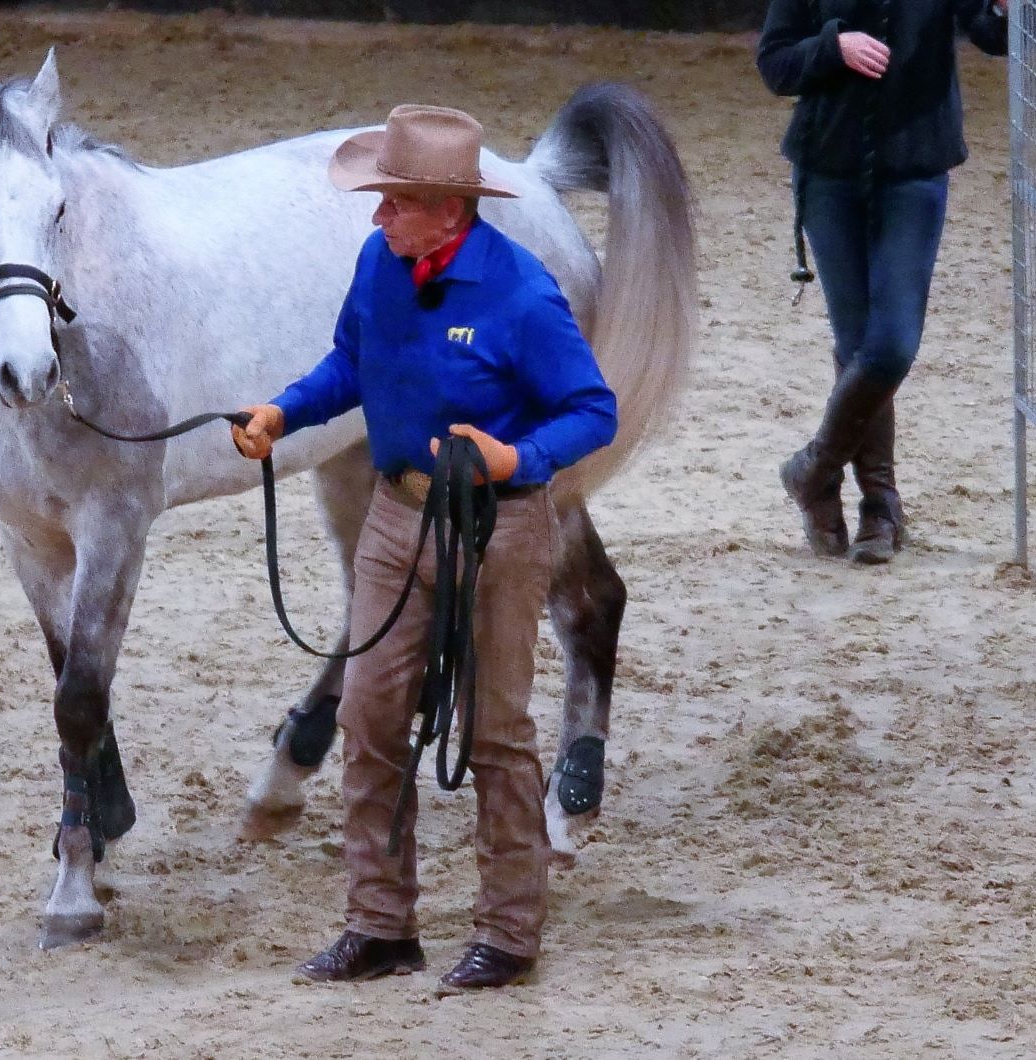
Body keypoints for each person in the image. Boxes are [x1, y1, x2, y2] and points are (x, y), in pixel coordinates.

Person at [231, 104, 618, 989]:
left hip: (499, 526)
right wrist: (284, 411)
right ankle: (379, 923)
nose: (376, 218)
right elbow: (347, 365)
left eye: (394, 202)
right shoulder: (379, 264)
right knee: (369, 717)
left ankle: (510, 934)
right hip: (396, 517)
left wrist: (518, 457)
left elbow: (593, 409)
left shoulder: (521, 293)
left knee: (496, 732)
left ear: (448, 210)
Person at [758, 0, 1007, 563]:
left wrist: (1007, 11)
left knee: (891, 345)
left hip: (915, 171)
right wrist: (832, 47)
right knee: (855, 346)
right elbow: (775, 65)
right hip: (828, 172)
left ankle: (814, 472)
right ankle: (880, 505)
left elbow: (993, 36)